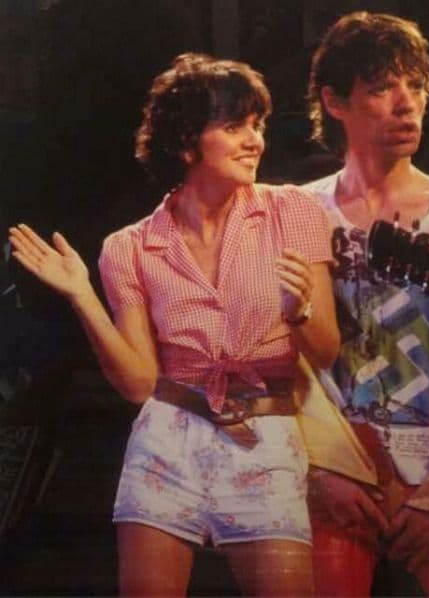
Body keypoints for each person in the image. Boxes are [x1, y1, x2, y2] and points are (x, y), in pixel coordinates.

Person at [9, 52, 340, 596]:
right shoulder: (129, 247)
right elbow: (140, 383)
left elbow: (326, 352)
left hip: (264, 439)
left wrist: (299, 310)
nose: (254, 141)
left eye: (257, 126)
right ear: (187, 143)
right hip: (166, 443)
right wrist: (82, 296)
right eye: (234, 127)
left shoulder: (294, 213)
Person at [297, 11, 429, 597]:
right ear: (334, 102)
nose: (406, 104)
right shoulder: (294, 212)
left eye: (416, 86)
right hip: (335, 468)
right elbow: (282, 360)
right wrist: (317, 468)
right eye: (381, 88)